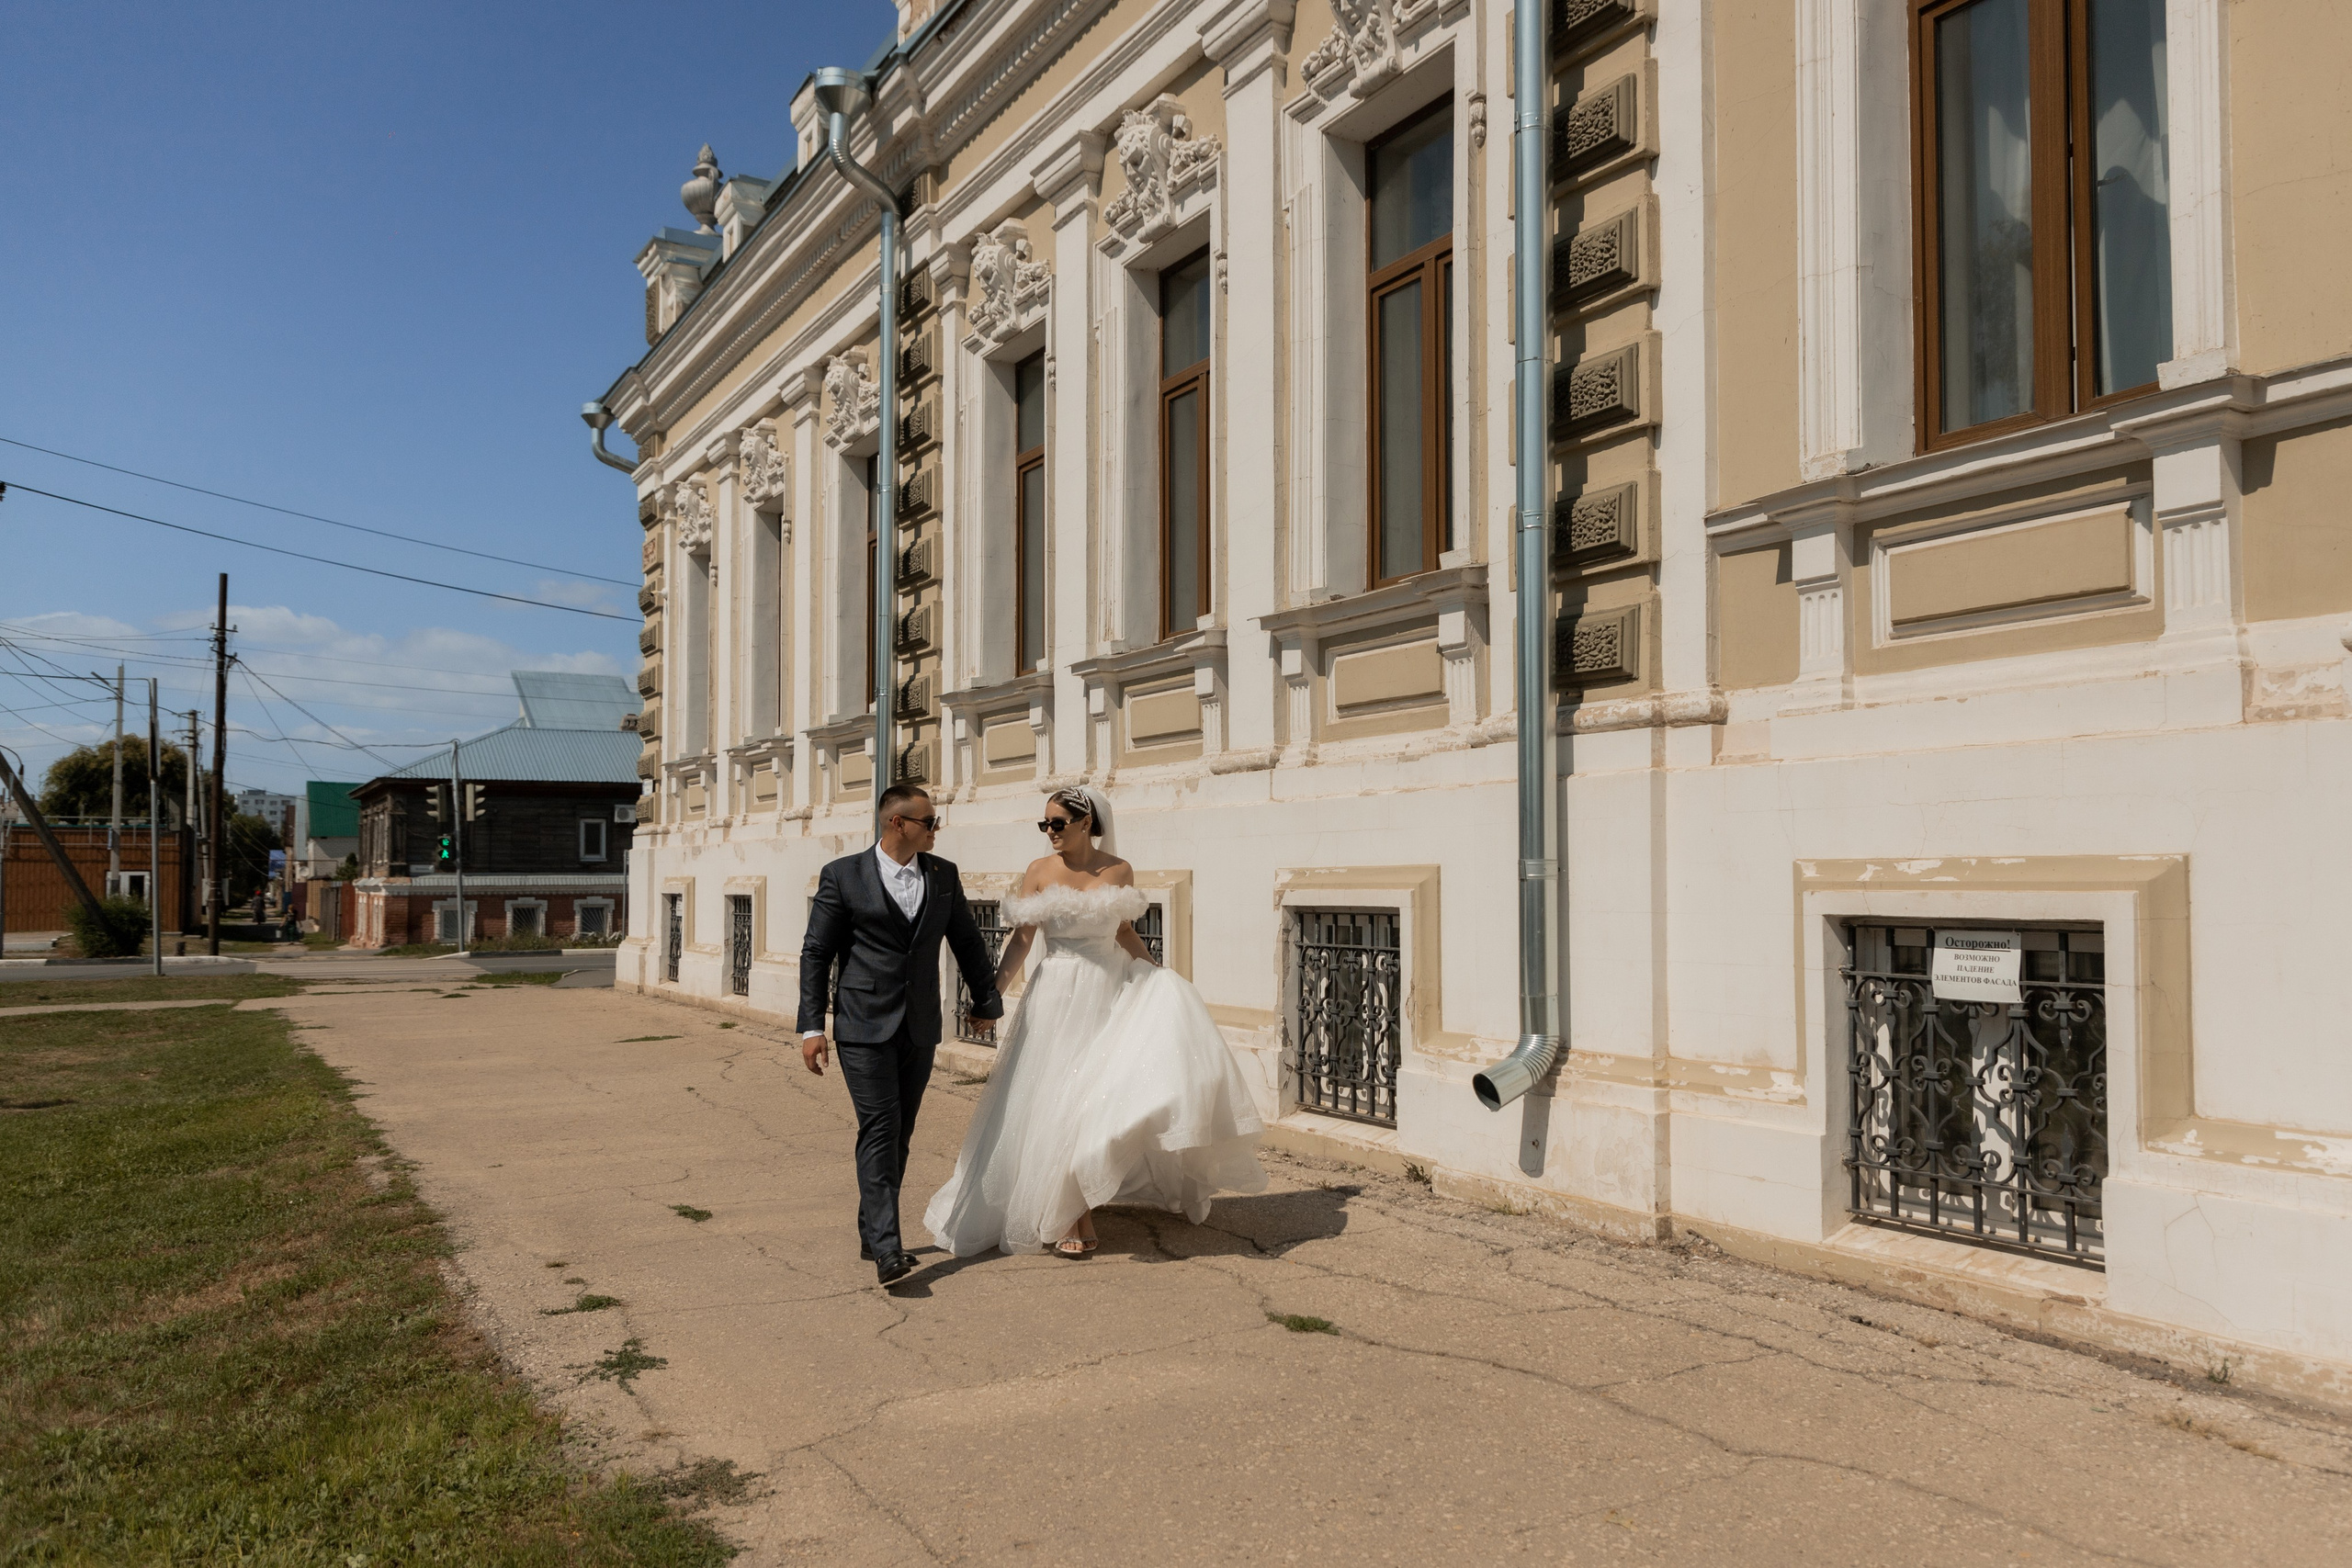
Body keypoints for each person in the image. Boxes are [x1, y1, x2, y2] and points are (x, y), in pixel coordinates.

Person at [923, 785, 1265, 1258]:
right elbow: (1022, 941)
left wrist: (1156, 977)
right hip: (1055, 997)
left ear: (1086, 823)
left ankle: (1075, 1202)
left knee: (1090, 1101)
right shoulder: (1039, 872)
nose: (1049, 833)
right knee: (1054, 1099)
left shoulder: (1118, 870)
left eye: (1058, 824)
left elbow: (1125, 931)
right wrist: (991, 997)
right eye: (1044, 825)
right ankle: (1072, 1211)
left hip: (1108, 994)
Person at [798, 783, 1005, 1286]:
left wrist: (986, 1002)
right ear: (898, 824)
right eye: (929, 821)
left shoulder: (943, 875)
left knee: (901, 1132)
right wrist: (812, 1025)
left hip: (918, 1025)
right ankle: (889, 1251)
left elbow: (968, 942)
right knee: (880, 1127)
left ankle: (874, 1229)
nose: (936, 829)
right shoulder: (843, 876)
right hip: (862, 1025)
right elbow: (816, 953)